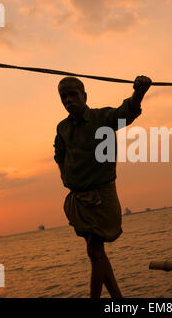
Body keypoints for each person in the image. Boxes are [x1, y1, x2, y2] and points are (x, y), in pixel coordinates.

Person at [54, 75, 152, 298]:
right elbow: (59, 153)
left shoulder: (102, 119)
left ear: (84, 96)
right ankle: (118, 299)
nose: (68, 100)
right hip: (79, 199)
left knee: (94, 249)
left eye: (73, 95)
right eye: (63, 97)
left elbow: (126, 113)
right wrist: (63, 174)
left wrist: (140, 92)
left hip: (102, 197)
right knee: (96, 253)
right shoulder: (62, 128)